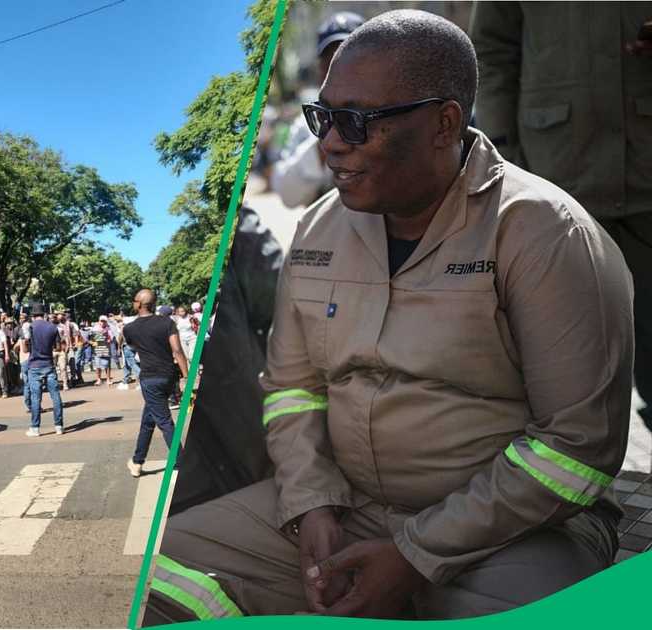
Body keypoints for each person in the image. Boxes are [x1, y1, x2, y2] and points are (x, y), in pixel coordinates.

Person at [146, 11, 634, 622]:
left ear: (443, 123)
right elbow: (293, 392)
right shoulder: (319, 229)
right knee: (154, 573)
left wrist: (415, 554)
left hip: (516, 532)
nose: (330, 143)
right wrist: (312, 506)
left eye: (357, 122)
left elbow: (576, 452)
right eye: (323, 118)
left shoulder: (543, 234)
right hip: (345, 507)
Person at [471, 2, 652, 432]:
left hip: (646, 179)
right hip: (557, 182)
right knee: (560, 360)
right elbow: (493, 51)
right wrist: (505, 157)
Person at [270, 11, 365, 208]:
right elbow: (288, 195)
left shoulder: (385, 115)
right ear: (320, 68)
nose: (339, 68)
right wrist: (324, 142)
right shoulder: (306, 124)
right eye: (330, 59)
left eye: (348, 57)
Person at [123, 290, 190, 478]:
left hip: (150, 378)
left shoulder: (129, 329)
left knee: (164, 421)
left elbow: (133, 346)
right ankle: (137, 461)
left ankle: (181, 461)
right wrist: (186, 377)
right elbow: (177, 350)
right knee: (148, 421)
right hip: (169, 376)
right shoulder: (167, 323)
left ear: (138, 304)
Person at [24, 304, 64, 437]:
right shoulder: (52, 327)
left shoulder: (31, 327)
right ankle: (59, 426)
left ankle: (35, 428)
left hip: (34, 365)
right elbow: (58, 347)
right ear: (44, 314)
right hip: (48, 364)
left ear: (33, 315)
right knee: (55, 396)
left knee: (36, 398)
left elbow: (25, 348)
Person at [91, 316, 113, 386]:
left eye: (104, 321)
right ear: (99, 321)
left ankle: (108, 379)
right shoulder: (95, 328)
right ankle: (98, 379)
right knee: (98, 365)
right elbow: (92, 338)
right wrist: (93, 342)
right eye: (101, 321)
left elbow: (111, 337)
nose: (102, 322)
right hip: (97, 349)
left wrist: (109, 339)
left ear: (106, 322)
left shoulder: (108, 328)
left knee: (107, 365)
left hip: (106, 348)